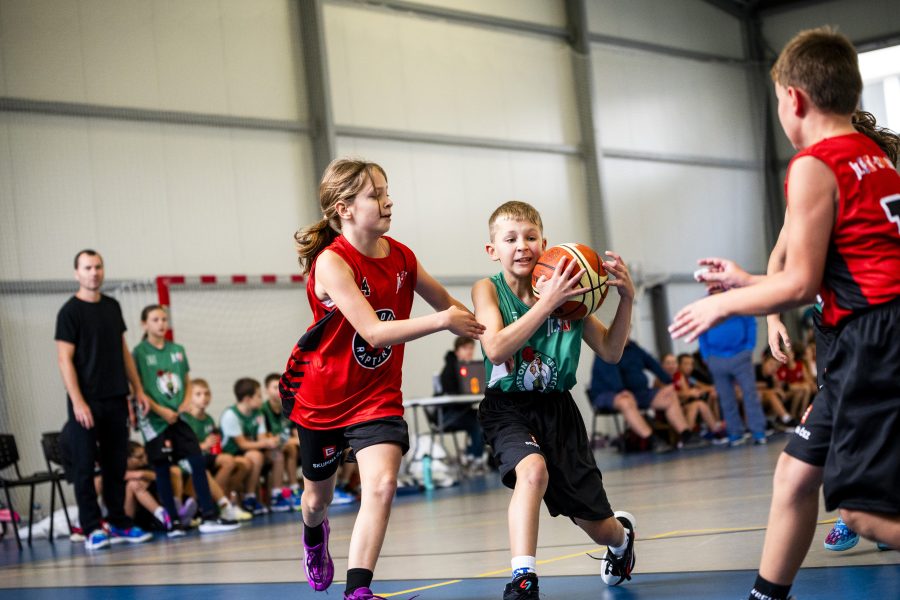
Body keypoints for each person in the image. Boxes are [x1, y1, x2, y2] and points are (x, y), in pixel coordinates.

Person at [670, 28, 900, 600]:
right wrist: (748, 282)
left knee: (862, 513)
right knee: (795, 473)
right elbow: (832, 266)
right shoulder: (874, 156)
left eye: (777, 100)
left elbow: (799, 286)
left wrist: (722, 303)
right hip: (869, 335)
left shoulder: (814, 163)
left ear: (793, 100)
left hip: (872, 341)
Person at [280, 158, 484, 600]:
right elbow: (373, 332)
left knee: (383, 484)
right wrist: (443, 322)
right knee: (316, 501)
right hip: (323, 398)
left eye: (386, 192)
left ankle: (358, 590)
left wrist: (498, 330)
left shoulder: (403, 257)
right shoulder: (332, 263)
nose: (388, 201)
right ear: (344, 208)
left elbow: (448, 306)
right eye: (375, 195)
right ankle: (313, 536)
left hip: (377, 396)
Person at [471, 200, 636, 599]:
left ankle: (621, 539)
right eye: (510, 239)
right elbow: (495, 348)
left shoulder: (570, 293)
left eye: (530, 237)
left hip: (558, 410)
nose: (521, 245)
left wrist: (627, 300)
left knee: (597, 525)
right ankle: (523, 577)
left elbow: (611, 351)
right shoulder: (487, 289)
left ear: (544, 244)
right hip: (507, 407)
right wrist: (546, 304)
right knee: (532, 472)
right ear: (493, 250)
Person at [55, 249, 154, 550]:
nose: (94, 272)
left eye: (98, 267)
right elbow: (64, 359)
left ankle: (119, 522)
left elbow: (123, 350)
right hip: (85, 402)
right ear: (77, 273)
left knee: (115, 465)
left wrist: (138, 389)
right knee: (85, 467)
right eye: (87, 268)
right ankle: (91, 529)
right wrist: (78, 401)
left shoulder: (112, 306)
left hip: (115, 398)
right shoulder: (69, 312)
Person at [132, 305, 239, 534]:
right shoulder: (139, 352)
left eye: (164, 319)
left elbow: (187, 381)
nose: (161, 324)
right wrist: (161, 410)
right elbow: (139, 388)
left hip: (177, 417)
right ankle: (172, 521)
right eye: (155, 320)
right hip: (155, 420)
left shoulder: (177, 350)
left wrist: (184, 404)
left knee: (197, 460)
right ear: (144, 324)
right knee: (163, 468)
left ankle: (209, 517)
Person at [590, 340, 709, 454]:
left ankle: (686, 436)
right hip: (608, 393)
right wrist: (620, 390)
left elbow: (653, 364)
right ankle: (653, 440)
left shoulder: (634, 348)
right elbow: (610, 373)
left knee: (669, 395)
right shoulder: (605, 347)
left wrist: (669, 382)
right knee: (625, 401)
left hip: (638, 393)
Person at [697, 285, 768, 446]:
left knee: (750, 394)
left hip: (740, 355)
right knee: (726, 398)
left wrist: (749, 347)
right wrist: (706, 356)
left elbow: (751, 323)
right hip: (716, 358)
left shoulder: (738, 300)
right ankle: (735, 433)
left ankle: (758, 431)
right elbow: (701, 331)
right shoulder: (704, 305)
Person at [180, 379, 253, 521]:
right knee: (224, 462)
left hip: (207, 457)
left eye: (207, 393)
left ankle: (221, 501)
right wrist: (204, 445)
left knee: (243, 463)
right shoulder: (185, 419)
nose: (204, 397)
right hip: (188, 459)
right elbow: (182, 448)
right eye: (198, 394)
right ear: (189, 397)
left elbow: (214, 448)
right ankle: (221, 504)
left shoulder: (208, 419)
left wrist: (212, 447)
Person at [220, 377, 280, 515]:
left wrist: (271, 442)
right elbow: (242, 444)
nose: (261, 399)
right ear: (247, 399)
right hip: (232, 452)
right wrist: (266, 442)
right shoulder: (231, 415)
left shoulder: (258, 413)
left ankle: (277, 494)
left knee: (276, 454)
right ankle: (249, 497)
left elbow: (261, 438)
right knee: (256, 456)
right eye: (258, 396)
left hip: (251, 449)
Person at [436, 336, 486, 467]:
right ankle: (474, 457)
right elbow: (452, 393)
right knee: (478, 421)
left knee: (483, 417)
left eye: (471, 348)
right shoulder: (450, 369)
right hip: (448, 415)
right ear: (457, 351)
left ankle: (472, 454)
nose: (469, 351)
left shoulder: (471, 368)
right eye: (465, 348)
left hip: (461, 411)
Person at [262, 373, 303, 510]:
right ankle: (277, 495)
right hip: (266, 450)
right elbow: (269, 439)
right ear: (266, 390)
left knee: (292, 448)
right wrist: (290, 440)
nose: (278, 390)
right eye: (274, 387)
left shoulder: (287, 406)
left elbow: (296, 434)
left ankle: (294, 490)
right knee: (284, 450)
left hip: (284, 446)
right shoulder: (263, 410)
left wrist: (293, 440)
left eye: (280, 386)